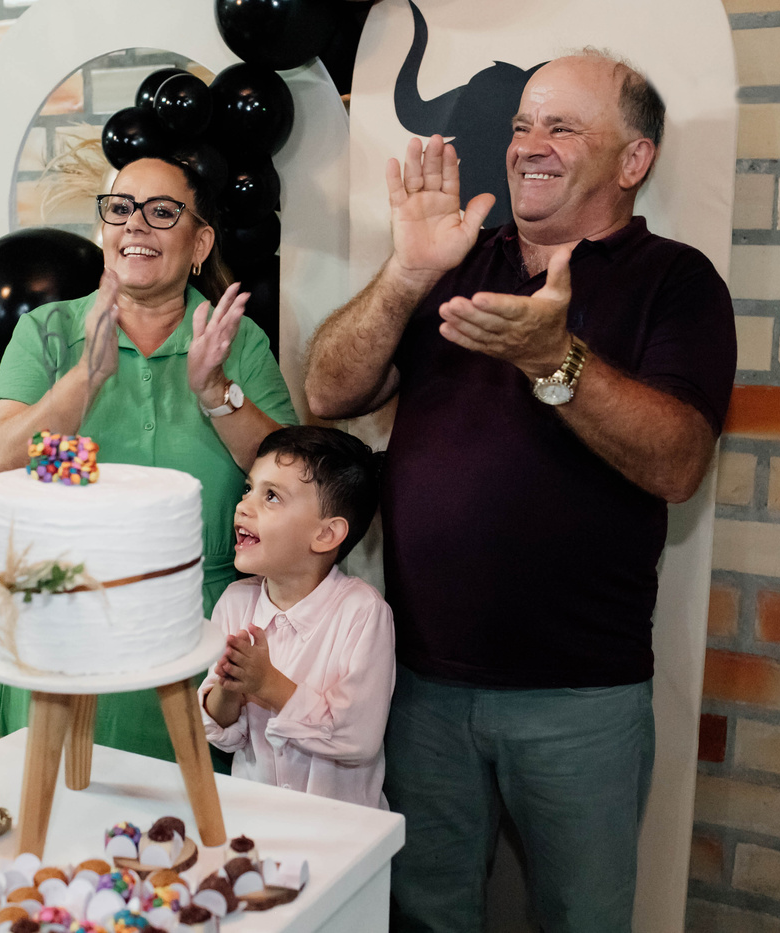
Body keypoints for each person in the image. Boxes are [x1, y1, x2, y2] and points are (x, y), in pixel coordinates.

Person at [305, 51, 737, 932]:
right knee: (422, 915)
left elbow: (679, 462)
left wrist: (555, 360)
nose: (528, 145)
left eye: (562, 127)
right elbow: (328, 390)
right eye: (521, 126)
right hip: (419, 684)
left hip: (580, 700)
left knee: (583, 917)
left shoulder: (676, 280)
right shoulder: (458, 257)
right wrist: (408, 271)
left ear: (633, 160)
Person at [0, 155, 298, 760]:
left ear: (200, 243)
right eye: (121, 208)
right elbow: (2, 461)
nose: (135, 224)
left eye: (162, 212)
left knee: (185, 814)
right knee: (54, 808)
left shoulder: (235, 340)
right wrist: (86, 377)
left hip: (196, 642)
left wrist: (216, 392)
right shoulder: (49, 331)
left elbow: (291, 480)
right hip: (63, 627)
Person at [199, 426, 394, 810]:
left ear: (326, 535)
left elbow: (357, 737)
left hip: (339, 831)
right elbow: (223, 731)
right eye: (248, 489)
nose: (243, 506)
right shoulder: (236, 602)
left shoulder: (362, 613)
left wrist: (266, 682)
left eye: (271, 496)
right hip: (257, 822)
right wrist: (230, 685)